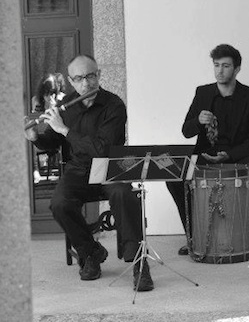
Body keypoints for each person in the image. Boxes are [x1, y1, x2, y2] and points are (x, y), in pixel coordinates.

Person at [24, 55, 153, 292]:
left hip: (109, 166)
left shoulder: (114, 105)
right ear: (71, 81)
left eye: (91, 76)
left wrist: (64, 129)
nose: (86, 83)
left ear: (99, 75)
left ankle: (139, 263)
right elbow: (53, 141)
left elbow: (102, 148)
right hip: (79, 170)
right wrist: (37, 138)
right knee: (59, 203)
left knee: (124, 195)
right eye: (79, 78)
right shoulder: (68, 106)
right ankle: (91, 251)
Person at [166, 44, 249, 255]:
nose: (220, 71)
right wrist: (198, 121)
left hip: (239, 152)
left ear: (237, 69)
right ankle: (194, 235)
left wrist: (230, 155)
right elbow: (186, 131)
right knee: (174, 178)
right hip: (206, 153)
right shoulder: (203, 92)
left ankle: (241, 231)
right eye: (216, 65)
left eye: (226, 66)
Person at [30, 72, 66, 183]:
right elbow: (34, 120)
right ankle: (34, 169)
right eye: (46, 93)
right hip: (41, 130)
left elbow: (58, 123)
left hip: (54, 134)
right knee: (29, 140)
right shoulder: (36, 100)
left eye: (52, 93)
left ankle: (36, 169)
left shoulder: (62, 100)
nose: (49, 97)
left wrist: (53, 105)